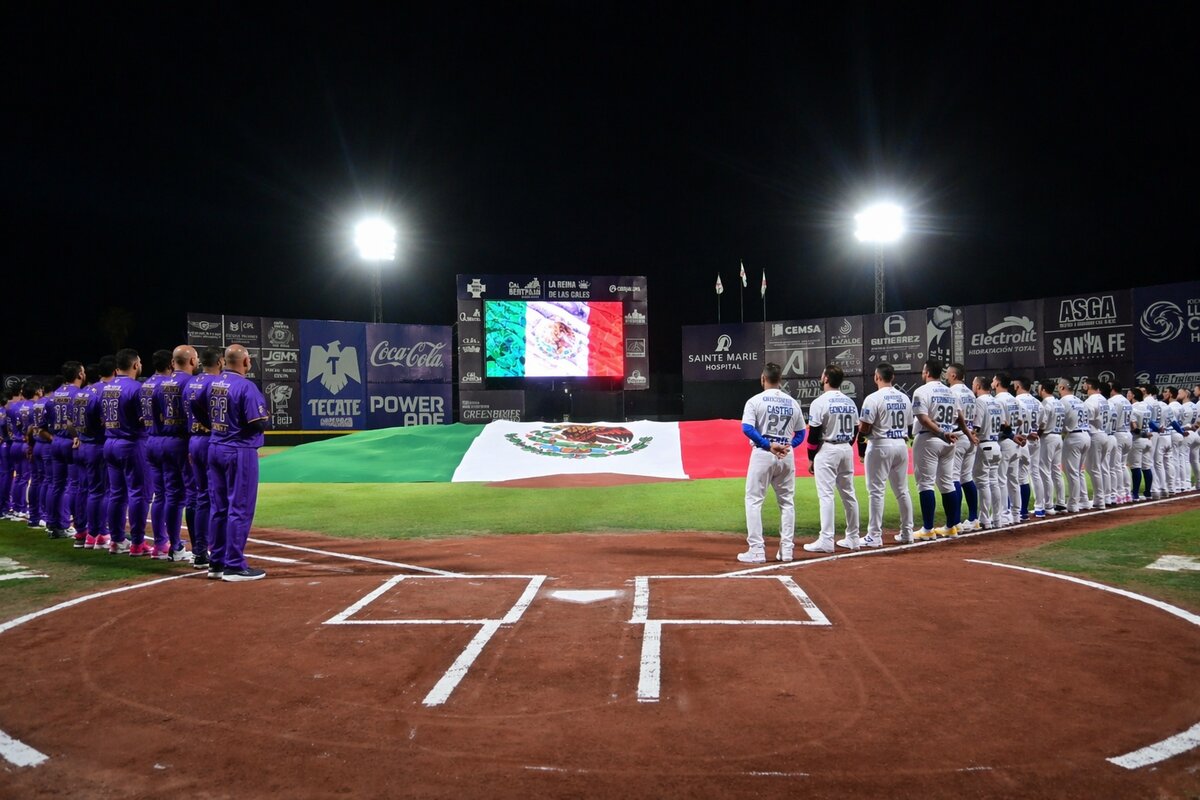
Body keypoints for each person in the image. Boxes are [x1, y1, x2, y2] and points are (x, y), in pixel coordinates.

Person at [207, 344, 270, 582]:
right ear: (245, 362)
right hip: (239, 450)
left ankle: (216, 563)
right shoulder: (246, 386)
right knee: (239, 508)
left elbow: (197, 409)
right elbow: (258, 422)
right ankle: (234, 565)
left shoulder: (212, 382)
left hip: (215, 446)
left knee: (219, 507)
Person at [737, 362, 805, 563]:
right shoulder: (792, 402)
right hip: (786, 456)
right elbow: (801, 433)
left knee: (754, 501)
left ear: (762, 378)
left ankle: (757, 550)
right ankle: (787, 551)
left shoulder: (754, 401)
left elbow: (747, 429)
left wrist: (768, 445)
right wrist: (787, 446)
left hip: (763, 454)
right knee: (786, 503)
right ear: (780, 380)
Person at [803, 364, 860, 552]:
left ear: (826, 379)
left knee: (826, 495)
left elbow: (813, 434)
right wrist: (846, 445)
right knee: (849, 494)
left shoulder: (819, 402)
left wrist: (811, 457)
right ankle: (853, 538)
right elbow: (855, 430)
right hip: (845, 449)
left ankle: (826, 540)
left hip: (827, 449)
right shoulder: (849, 402)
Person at [857, 362, 913, 547]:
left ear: (877, 377)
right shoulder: (904, 398)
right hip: (901, 444)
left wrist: (861, 432)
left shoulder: (873, 398)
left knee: (876, 492)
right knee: (902, 491)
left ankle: (874, 535)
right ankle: (907, 532)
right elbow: (910, 425)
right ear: (893, 377)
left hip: (880, 445)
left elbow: (865, 427)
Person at [150, 345, 198, 561]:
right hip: (183, 442)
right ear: (191, 361)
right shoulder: (192, 382)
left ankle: (173, 545)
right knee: (193, 496)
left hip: (161, 440)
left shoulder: (159, 384)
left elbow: (154, 416)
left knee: (169, 495)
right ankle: (199, 549)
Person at [102, 348, 150, 555]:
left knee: (116, 494)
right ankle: (138, 542)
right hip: (131, 443)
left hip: (110, 442)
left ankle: (116, 540)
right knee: (139, 493)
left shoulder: (105, 388)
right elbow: (144, 420)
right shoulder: (136, 388)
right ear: (135, 365)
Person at [910, 359, 964, 539]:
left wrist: (941, 432)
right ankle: (950, 526)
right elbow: (960, 417)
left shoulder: (921, 391)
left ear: (926, 372)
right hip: (949, 440)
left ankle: (927, 529)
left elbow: (924, 419)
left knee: (925, 484)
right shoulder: (950, 392)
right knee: (947, 484)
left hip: (930, 438)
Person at [184, 346, 224, 569]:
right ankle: (218, 552)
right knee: (218, 498)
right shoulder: (216, 384)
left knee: (201, 497)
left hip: (193, 441)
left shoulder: (191, 382)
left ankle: (199, 552)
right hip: (212, 441)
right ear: (219, 362)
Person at [76, 359, 113, 550]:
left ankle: (90, 534)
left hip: (84, 445)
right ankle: (102, 533)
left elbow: (70, 422)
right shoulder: (106, 391)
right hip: (100, 444)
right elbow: (106, 420)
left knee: (92, 491)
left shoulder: (83, 392)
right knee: (106, 491)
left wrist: (79, 436)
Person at [45, 362, 84, 539]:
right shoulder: (78, 394)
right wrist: (77, 435)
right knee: (73, 485)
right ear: (79, 375)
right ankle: (71, 524)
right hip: (71, 441)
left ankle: (53, 524)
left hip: (56, 441)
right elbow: (72, 422)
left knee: (56, 484)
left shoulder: (52, 396)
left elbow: (42, 425)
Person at [141, 349, 174, 556]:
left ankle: (160, 543)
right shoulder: (167, 385)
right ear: (171, 363)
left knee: (159, 495)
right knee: (175, 496)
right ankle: (173, 545)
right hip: (168, 440)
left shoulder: (145, 385)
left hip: (149, 440)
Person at [946, 363, 980, 531]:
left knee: (953, 478)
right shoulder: (970, 393)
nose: (946, 376)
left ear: (953, 375)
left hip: (959, 436)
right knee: (966, 477)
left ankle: (956, 521)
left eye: (948, 373)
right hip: (971, 436)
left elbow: (954, 417)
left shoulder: (952, 392)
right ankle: (973, 518)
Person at [971, 376, 1005, 528]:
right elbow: (1005, 425)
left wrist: (970, 435)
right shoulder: (996, 401)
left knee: (983, 483)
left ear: (978, 386)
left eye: (973, 384)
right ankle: (997, 519)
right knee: (994, 482)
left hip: (985, 445)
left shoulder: (980, 401)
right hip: (996, 444)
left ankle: (984, 519)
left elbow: (977, 426)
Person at [992, 373, 1025, 524]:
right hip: (1015, 443)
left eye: (993, 380)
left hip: (1004, 440)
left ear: (997, 383)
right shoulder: (1014, 399)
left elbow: (1003, 423)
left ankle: (1004, 514)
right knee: (1013, 480)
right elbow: (1019, 420)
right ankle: (1016, 515)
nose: (992, 382)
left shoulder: (998, 400)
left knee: (1001, 479)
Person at [1058, 378, 1091, 513]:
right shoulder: (1080, 401)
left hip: (1074, 437)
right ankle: (1084, 500)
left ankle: (1073, 503)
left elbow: (1060, 422)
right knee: (1079, 472)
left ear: (1062, 388)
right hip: (1085, 435)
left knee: (1072, 473)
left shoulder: (1063, 402)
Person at [1036, 378, 1067, 515]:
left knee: (1045, 471)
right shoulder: (1059, 403)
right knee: (1056, 470)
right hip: (1058, 436)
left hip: (1048, 438)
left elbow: (1042, 425)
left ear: (1043, 389)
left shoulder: (1046, 404)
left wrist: (1037, 435)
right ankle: (1060, 502)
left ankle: (1048, 504)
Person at [1013, 376, 1041, 519]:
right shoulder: (1037, 402)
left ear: (1018, 386)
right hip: (1033, 440)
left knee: (1010, 478)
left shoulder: (1016, 401)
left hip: (1018, 442)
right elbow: (1042, 424)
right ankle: (1024, 511)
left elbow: (1015, 422)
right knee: (1026, 477)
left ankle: (1012, 512)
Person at [1083, 377, 1113, 510]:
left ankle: (1099, 500)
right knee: (1102, 468)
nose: (1083, 387)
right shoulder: (1104, 400)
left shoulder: (1091, 400)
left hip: (1095, 435)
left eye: (1085, 385)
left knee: (1094, 469)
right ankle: (1106, 497)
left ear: (1089, 386)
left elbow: (1086, 418)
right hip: (1105, 434)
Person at [1107, 382, 1133, 504]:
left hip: (1118, 434)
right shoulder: (1126, 401)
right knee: (1122, 465)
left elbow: (1112, 419)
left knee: (1116, 466)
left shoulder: (1113, 401)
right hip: (1128, 433)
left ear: (1112, 389)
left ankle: (1119, 494)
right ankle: (1127, 493)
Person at [1128, 387, 1153, 501]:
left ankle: (1135, 494)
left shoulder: (1133, 408)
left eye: (1129, 393)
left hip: (1138, 440)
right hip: (1148, 441)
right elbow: (1151, 423)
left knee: (1135, 467)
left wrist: (1143, 434)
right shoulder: (1146, 407)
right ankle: (1148, 492)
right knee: (1147, 467)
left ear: (1133, 396)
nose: (1127, 395)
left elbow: (1135, 428)